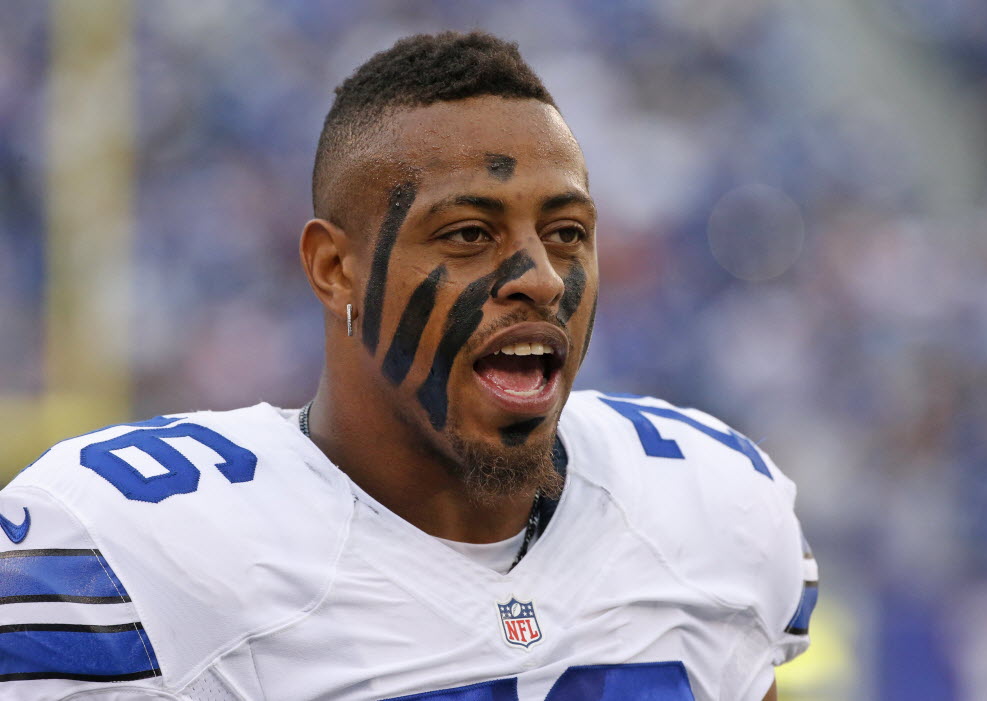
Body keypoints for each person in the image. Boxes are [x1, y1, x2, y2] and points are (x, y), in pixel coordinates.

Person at [0, 31, 816, 701]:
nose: (539, 274)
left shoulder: (710, 501)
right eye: (469, 234)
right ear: (334, 268)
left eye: (567, 232)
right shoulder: (130, 549)